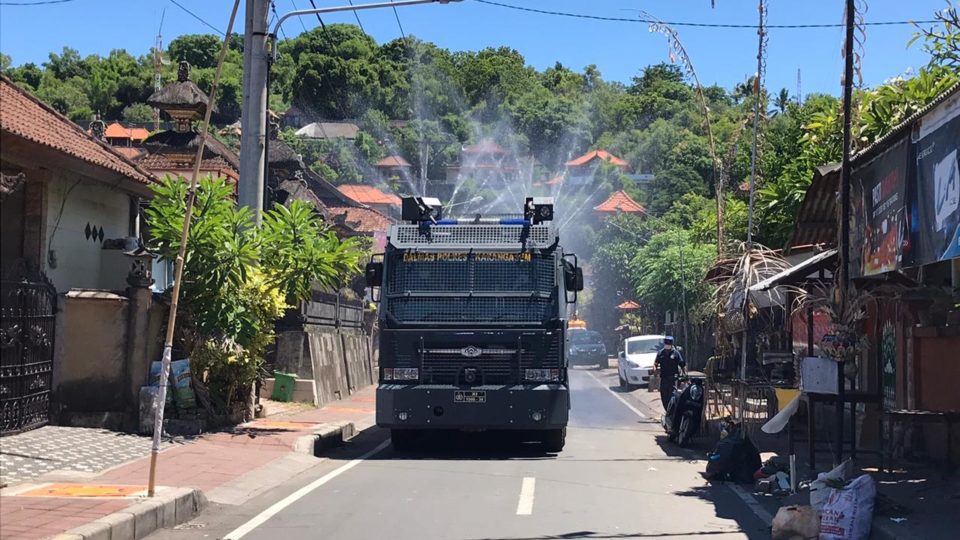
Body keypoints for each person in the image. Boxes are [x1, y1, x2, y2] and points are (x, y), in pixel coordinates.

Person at [654, 336, 686, 411]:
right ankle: (667, 411)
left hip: (673, 379)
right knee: (664, 396)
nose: (667, 345)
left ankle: (673, 410)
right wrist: (654, 369)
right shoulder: (660, 353)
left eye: (669, 344)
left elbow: (682, 364)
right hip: (664, 378)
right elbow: (655, 363)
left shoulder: (676, 353)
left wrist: (685, 375)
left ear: (671, 345)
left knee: (672, 395)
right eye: (666, 344)